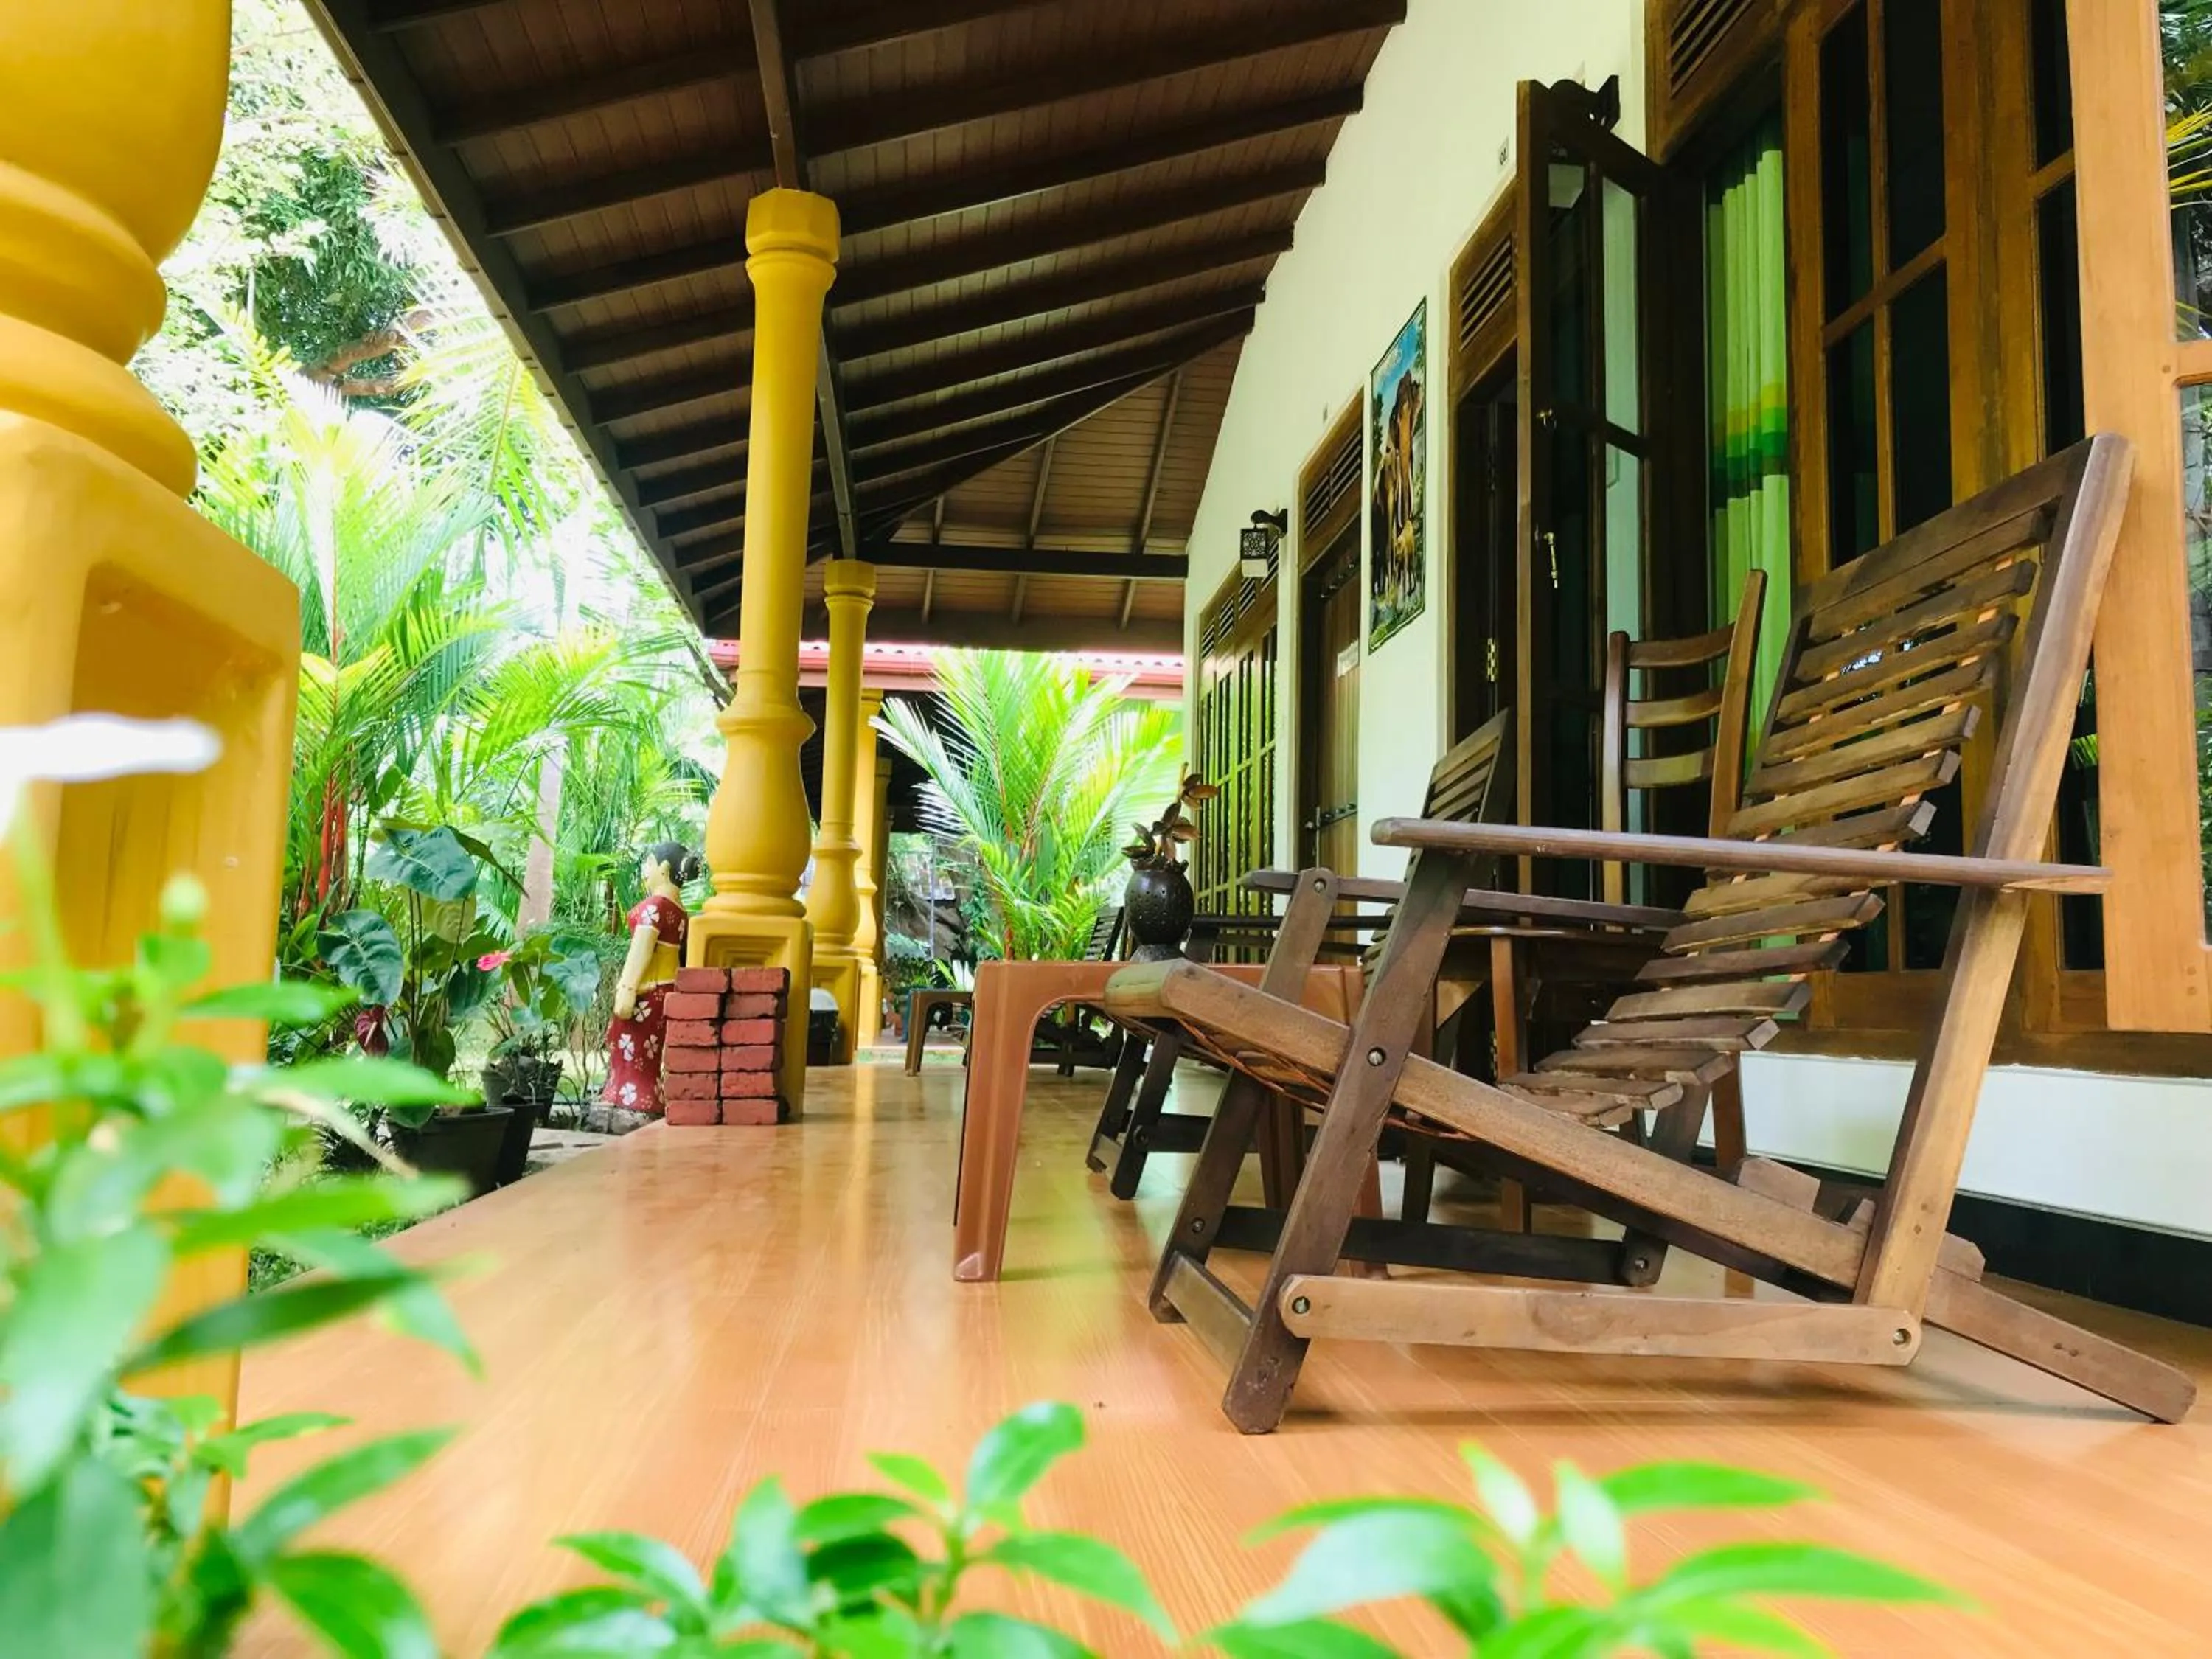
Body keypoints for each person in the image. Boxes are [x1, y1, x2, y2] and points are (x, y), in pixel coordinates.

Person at [602, 841, 700, 1115]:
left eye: (649, 865)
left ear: (664, 869)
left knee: (631, 1048)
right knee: (650, 1052)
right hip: (666, 991)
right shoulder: (680, 912)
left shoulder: (655, 906)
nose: (646, 872)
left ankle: (630, 1097)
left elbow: (641, 951)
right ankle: (649, 1095)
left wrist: (627, 988)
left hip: (646, 992)